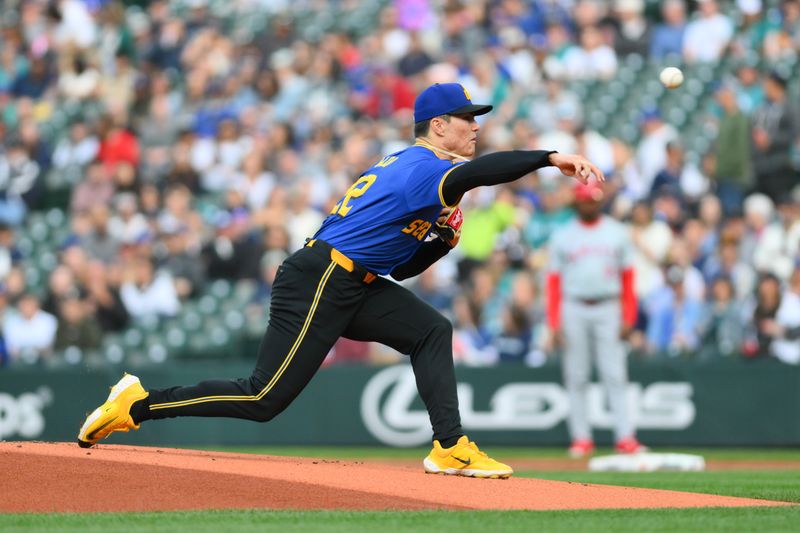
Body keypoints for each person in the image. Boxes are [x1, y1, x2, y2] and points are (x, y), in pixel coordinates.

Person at [77, 83, 603, 479]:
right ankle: (137, 404)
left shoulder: (421, 171)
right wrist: (549, 157)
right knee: (263, 400)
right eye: (467, 118)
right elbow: (477, 173)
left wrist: (441, 242)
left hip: (356, 278)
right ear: (437, 125)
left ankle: (450, 446)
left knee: (431, 330)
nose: (475, 126)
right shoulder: (425, 166)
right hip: (322, 276)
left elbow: (403, 268)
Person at [546, 180, 645, 458]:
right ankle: (581, 438)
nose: (589, 203)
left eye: (593, 199)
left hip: (608, 306)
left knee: (615, 374)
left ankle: (625, 437)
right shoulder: (563, 235)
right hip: (574, 305)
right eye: (585, 199)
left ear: (600, 201)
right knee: (576, 375)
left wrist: (629, 316)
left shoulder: (616, 232)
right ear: (577, 201)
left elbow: (628, 279)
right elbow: (553, 283)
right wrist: (554, 322)